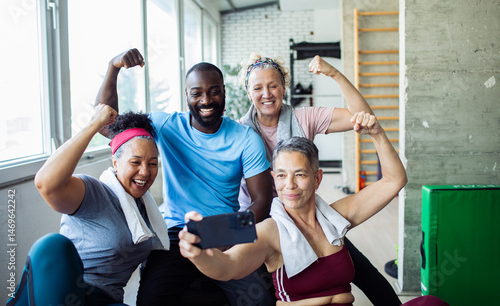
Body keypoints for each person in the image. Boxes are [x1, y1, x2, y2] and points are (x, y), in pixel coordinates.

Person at [179, 114, 448, 306]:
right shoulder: (271, 231)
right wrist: (200, 255)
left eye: (300, 175)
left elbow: (394, 181)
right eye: (282, 176)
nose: (290, 185)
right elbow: (229, 266)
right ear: (274, 178)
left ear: (317, 178)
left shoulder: (335, 217)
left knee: (432, 303)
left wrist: (377, 134)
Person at [95, 49, 275, 305]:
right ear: (187, 96)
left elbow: (262, 202)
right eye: (197, 93)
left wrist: (222, 234)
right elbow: (106, 124)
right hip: (177, 233)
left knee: (262, 301)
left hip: (228, 232)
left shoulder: (246, 139)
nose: (206, 100)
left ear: (223, 92)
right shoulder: (167, 126)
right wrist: (113, 67)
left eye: (213, 91)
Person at [236, 53, 402, 305]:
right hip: (264, 223)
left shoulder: (304, 118)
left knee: (369, 277)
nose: (266, 94)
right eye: (258, 88)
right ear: (249, 93)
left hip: (307, 216)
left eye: (273, 86)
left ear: (283, 88)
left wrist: (334, 74)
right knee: (266, 293)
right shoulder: (239, 132)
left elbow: (362, 117)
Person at [7, 104, 170, 306]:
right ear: (116, 163)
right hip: (61, 290)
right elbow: (46, 184)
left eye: (153, 163)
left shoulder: (147, 213)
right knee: (52, 245)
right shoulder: (94, 192)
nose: (145, 172)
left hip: (106, 299)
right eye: (135, 162)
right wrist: (94, 124)